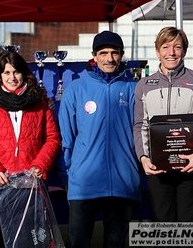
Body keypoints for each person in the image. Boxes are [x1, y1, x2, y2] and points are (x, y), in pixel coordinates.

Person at [57, 30, 141, 248]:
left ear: (122, 55)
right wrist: (67, 175)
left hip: (123, 180)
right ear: (94, 55)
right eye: (103, 53)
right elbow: (66, 138)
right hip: (84, 182)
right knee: (79, 243)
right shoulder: (75, 89)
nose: (109, 58)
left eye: (114, 53)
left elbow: (142, 133)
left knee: (115, 243)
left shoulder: (134, 89)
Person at [0, 51, 61, 244]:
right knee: (4, 238)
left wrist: (40, 165)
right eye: (7, 73)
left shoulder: (40, 103)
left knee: (36, 238)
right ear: (0, 76)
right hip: (2, 184)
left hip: (32, 182)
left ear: (24, 73)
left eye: (16, 72)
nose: (12, 77)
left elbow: (52, 138)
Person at [133, 26, 193, 223]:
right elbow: (140, 125)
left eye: (177, 47)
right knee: (164, 230)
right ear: (157, 51)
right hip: (159, 169)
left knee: (188, 231)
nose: (171, 52)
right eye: (165, 47)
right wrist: (143, 157)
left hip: (192, 168)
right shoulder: (143, 85)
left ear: (184, 50)